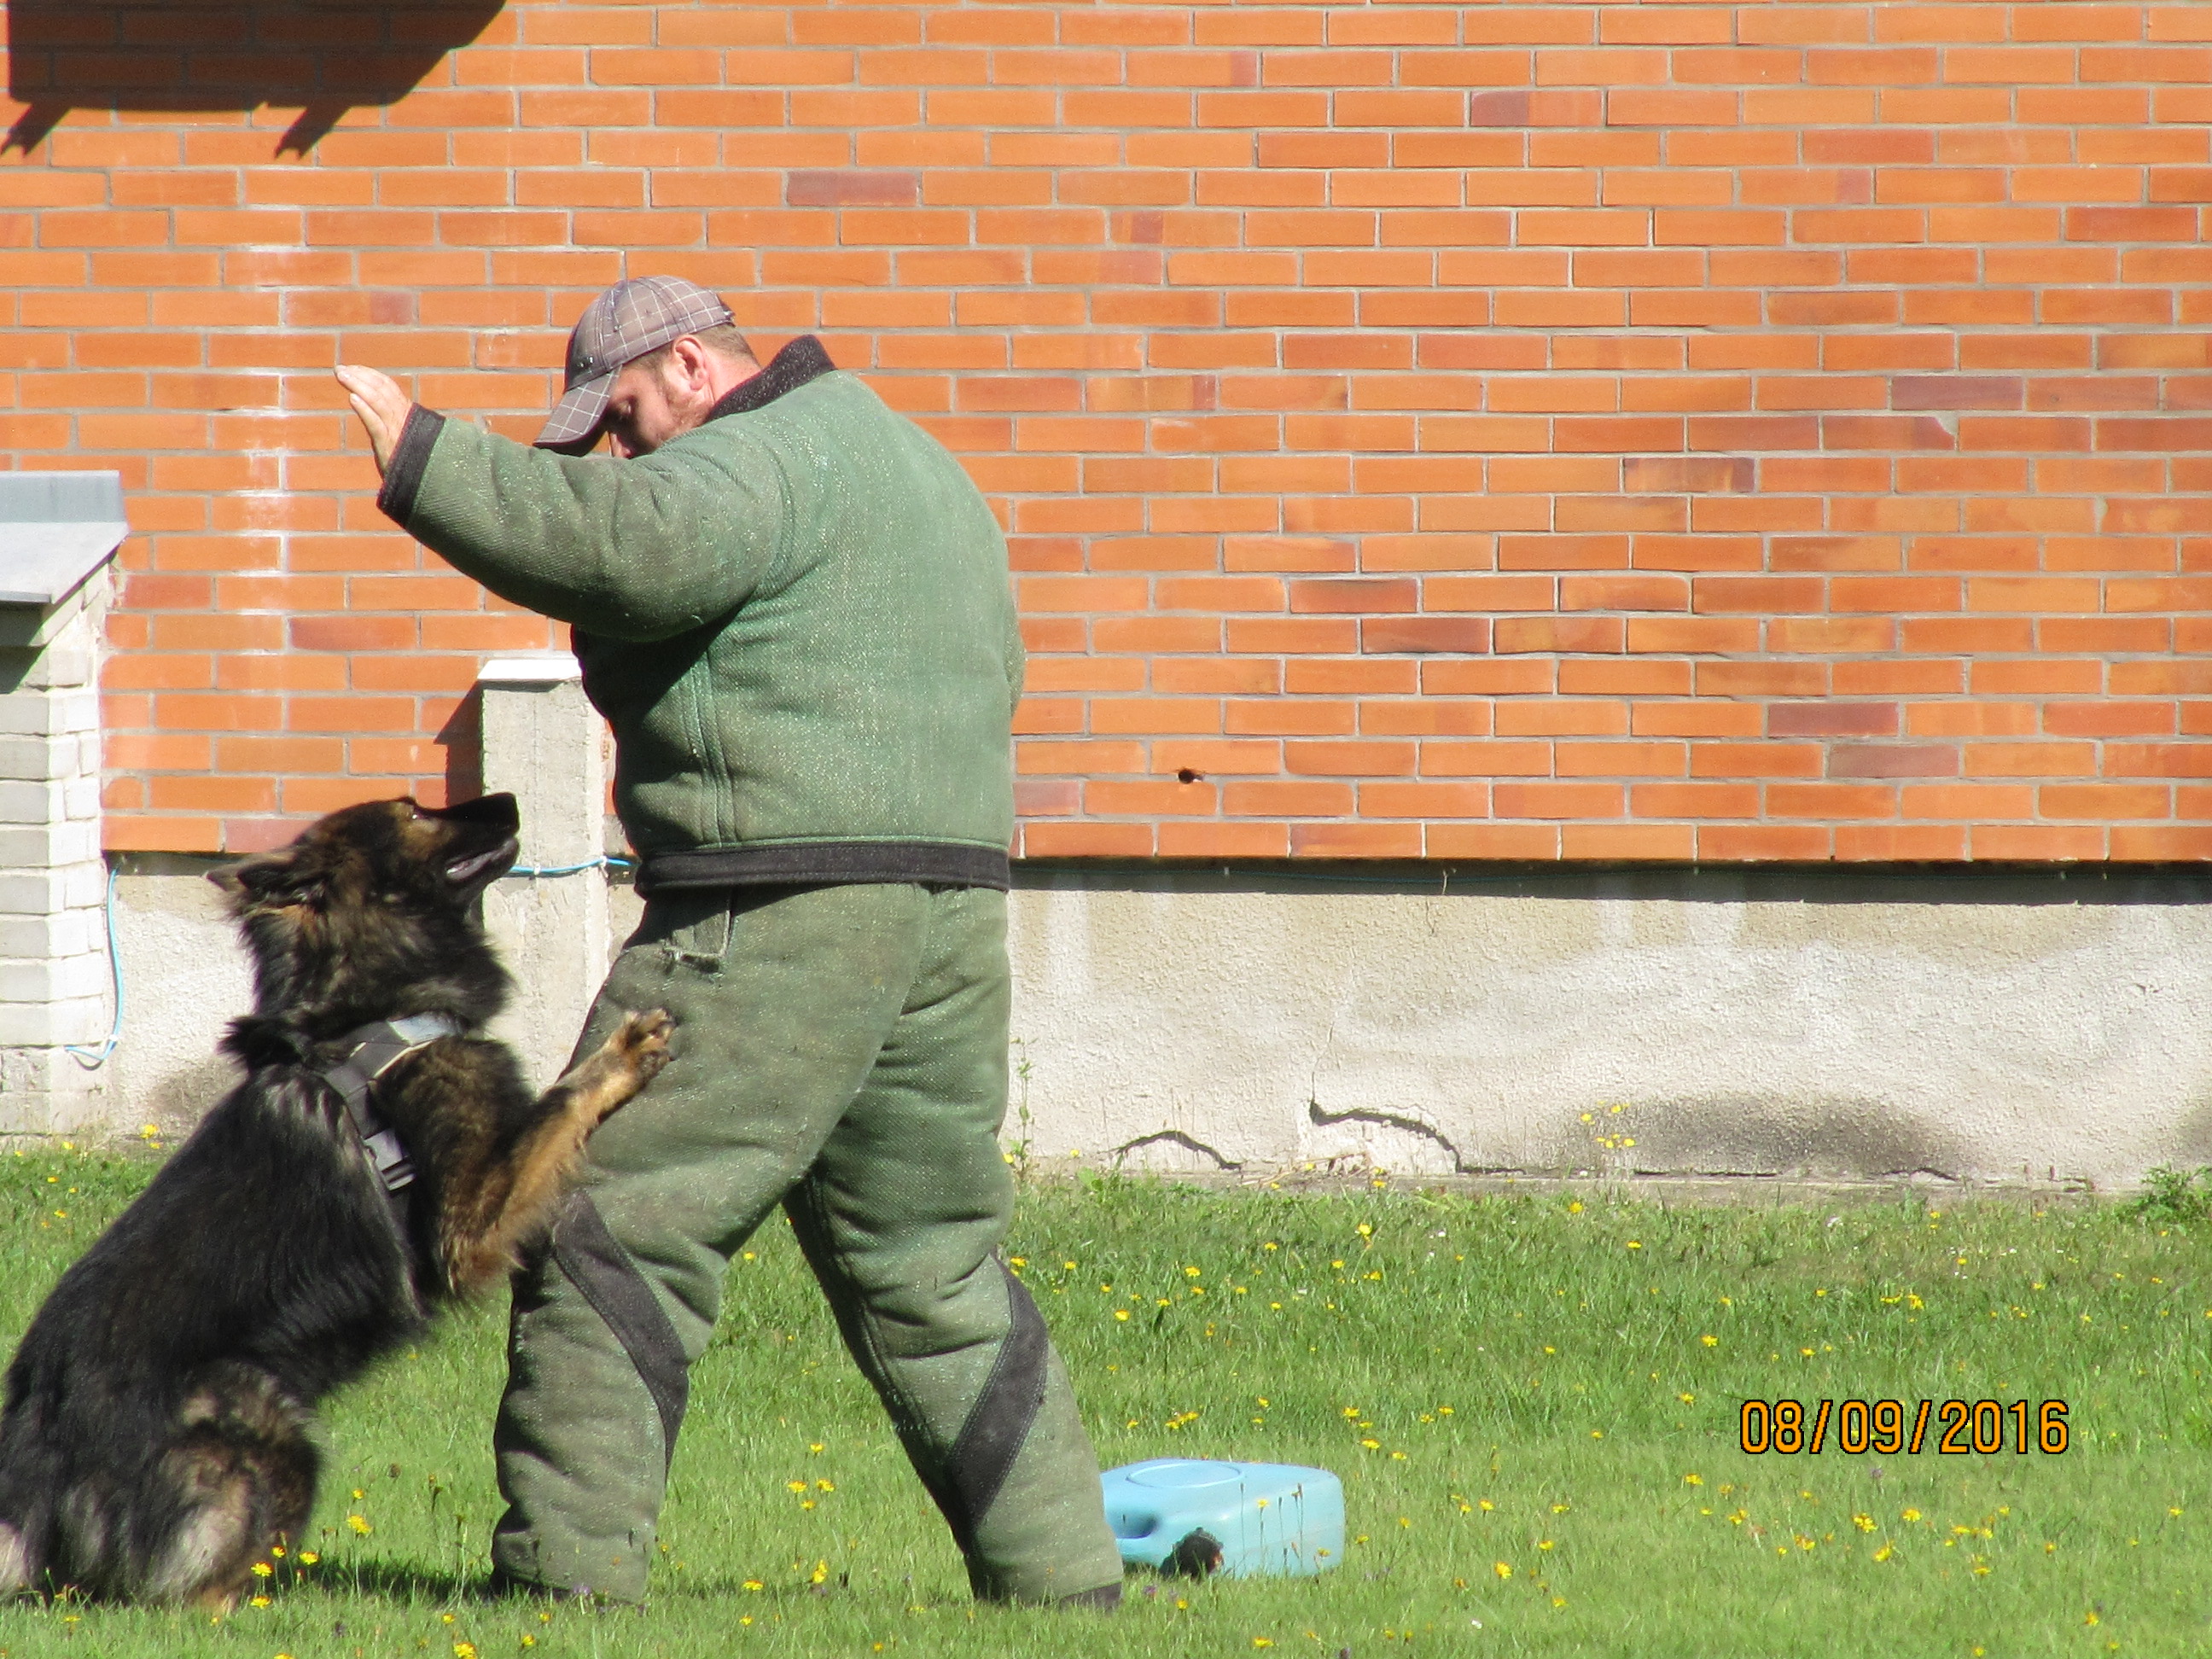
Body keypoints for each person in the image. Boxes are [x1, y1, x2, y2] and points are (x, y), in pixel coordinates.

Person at [334, 276, 1123, 1609]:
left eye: (628, 421)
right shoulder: (918, 466)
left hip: (775, 914)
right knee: (930, 1261)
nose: (625, 455)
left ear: (694, 367)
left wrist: (426, 454)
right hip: (946, 910)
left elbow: (619, 547)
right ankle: (1067, 1585)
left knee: (594, 1222)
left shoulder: (753, 461)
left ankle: (565, 1597)